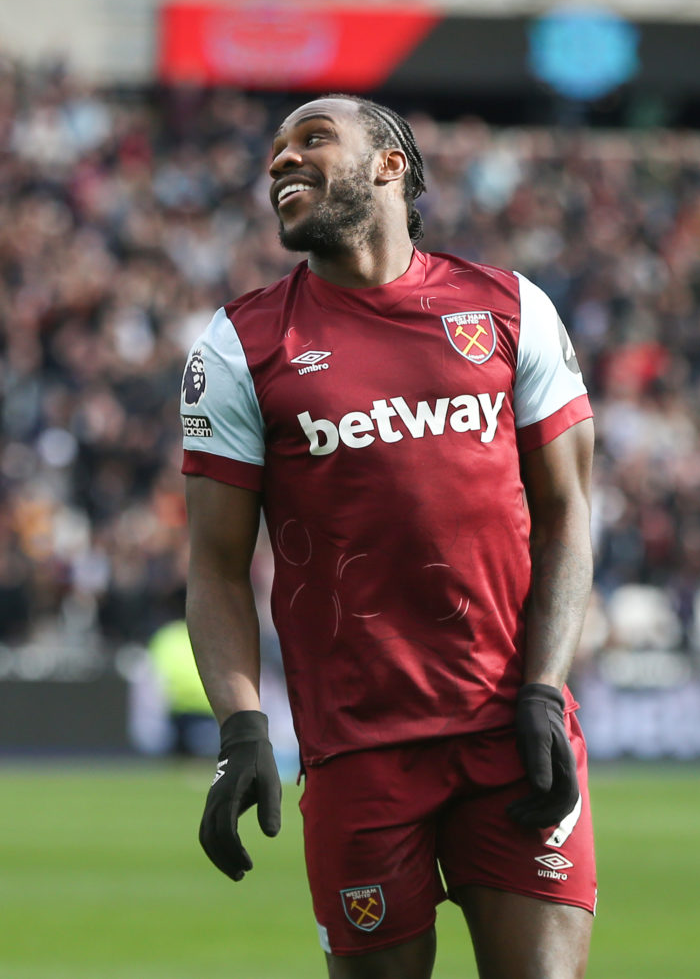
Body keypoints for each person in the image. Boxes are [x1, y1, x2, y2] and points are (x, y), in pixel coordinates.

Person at [179, 94, 597, 979]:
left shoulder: (510, 310)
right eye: (276, 150)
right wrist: (243, 728)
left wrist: (545, 691)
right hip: (357, 753)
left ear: (390, 165)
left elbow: (566, 515)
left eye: (312, 139)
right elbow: (216, 566)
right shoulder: (238, 346)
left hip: (507, 731)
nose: (281, 160)